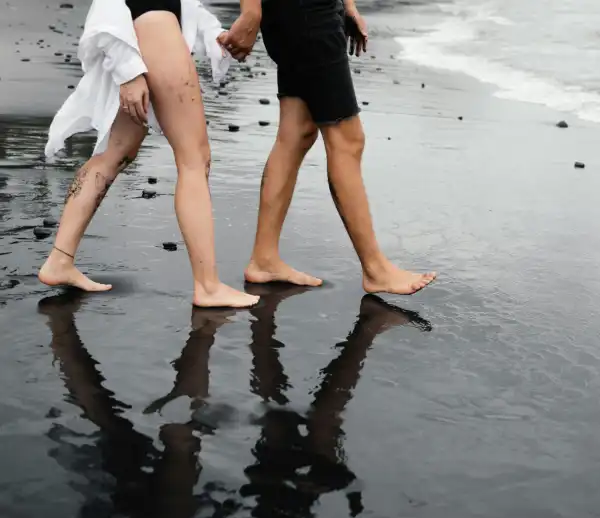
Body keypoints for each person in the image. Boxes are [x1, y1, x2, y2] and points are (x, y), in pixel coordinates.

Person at [38, 0, 259, 309]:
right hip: (154, 29)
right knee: (194, 157)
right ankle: (208, 286)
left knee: (115, 153)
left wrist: (212, 31)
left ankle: (59, 261)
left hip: (146, 28)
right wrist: (128, 71)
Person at [219, 0, 437, 295]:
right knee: (347, 140)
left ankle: (264, 259)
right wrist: (251, 11)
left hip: (301, 16)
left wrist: (347, 5)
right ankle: (376, 269)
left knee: (297, 132)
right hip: (308, 14)